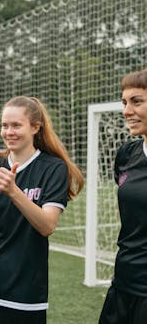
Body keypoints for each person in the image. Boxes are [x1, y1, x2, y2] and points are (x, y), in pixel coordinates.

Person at [0, 96, 84, 324]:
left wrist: (14, 191)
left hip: (25, 293)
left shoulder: (53, 168)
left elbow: (47, 225)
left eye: (16, 125)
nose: (9, 131)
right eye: (4, 125)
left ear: (35, 127)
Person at [98, 69, 147, 324]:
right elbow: (127, 216)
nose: (127, 111)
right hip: (123, 285)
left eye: (136, 101)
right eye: (124, 102)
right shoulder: (127, 153)